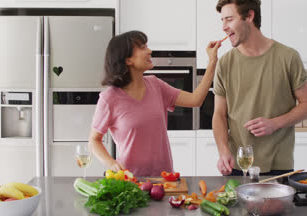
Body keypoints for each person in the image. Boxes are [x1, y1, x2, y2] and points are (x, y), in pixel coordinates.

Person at [89, 30, 221, 177]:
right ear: (128, 60)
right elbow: (94, 140)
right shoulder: (109, 98)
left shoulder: (156, 85)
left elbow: (196, 99)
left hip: (164, 178)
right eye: (143, 47)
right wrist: (111, 163)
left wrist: (212, 62)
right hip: (130, 179)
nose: (150, 51)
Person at [212, 0, 307, 176]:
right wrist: (223, 151)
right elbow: (219, 114)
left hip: (278, 165)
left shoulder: (288, 57)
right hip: (238, 164)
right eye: (222, 21)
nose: (224, 27)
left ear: (249, 16)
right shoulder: (225, 62)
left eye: (229, 19)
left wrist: (275, 123)